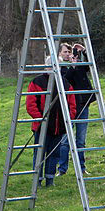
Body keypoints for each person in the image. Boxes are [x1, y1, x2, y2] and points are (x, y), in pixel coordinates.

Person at [26, 44, 77, 186]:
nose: (56, 68)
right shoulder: (37, 82)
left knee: (54, 154)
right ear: (47, 67)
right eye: (53, 65)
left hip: (59, 126)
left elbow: (71, 105)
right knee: (39, 154)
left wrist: (68, 120)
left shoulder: (65, 83)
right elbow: (31, 104)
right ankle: (37, 179)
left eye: (58, 66)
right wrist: (40, 119)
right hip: (42, 126)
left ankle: (50, 179)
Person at [57, 43, 95, 176]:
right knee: (65, 140)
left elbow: (89, 66)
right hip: (69, 107)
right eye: (65, 52)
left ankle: (82, 168)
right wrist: (72, 67)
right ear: (60, 54)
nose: (68, 54)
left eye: (69, 51)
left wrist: (84, 51)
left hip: (83, 104)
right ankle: (62, 169)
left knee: (81, 139)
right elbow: (64, 80)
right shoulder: (59, 67)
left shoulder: (78, 64)